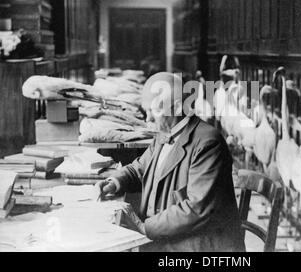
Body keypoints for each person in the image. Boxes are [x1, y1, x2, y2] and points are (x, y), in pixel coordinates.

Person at [95, 72, 245, 252]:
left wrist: (144, 227)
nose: (147, 119)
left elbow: (196, 209)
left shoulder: (208, 142)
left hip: (198, 246)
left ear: (176, 108)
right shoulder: (164, 134)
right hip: (170, 238)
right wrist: (114, 182)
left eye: (153, 112)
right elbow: (139, 168)